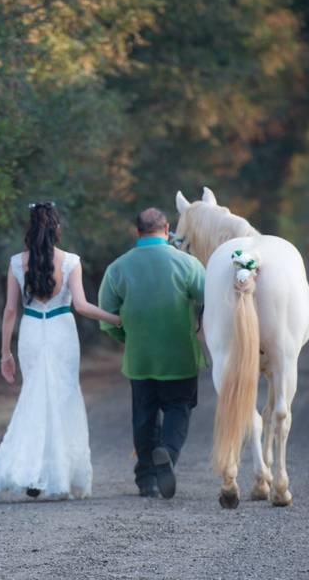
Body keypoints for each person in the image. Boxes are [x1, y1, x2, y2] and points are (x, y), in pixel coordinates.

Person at [0, 202, 122, 499]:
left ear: (30, 230)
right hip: (62, 331)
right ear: (56, 229)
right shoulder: (71, 261)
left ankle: (34, 473)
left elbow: (10, 310)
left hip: (32, 331)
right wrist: (116, 318)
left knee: (35, 395)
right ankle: (57, 473)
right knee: (63, 398)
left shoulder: (15, 263)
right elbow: (82, 306)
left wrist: (5, 353)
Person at [98, 207, 206, 499]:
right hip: (180, 356)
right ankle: (167, 454)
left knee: (144, 417)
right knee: (178, 408)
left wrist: (128, 337)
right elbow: (209, 300)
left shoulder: (118, 268)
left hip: (140, 358)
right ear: (168, 228)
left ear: (137, 232)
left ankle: (146, 480)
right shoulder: (188, 264)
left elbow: (105, 316)